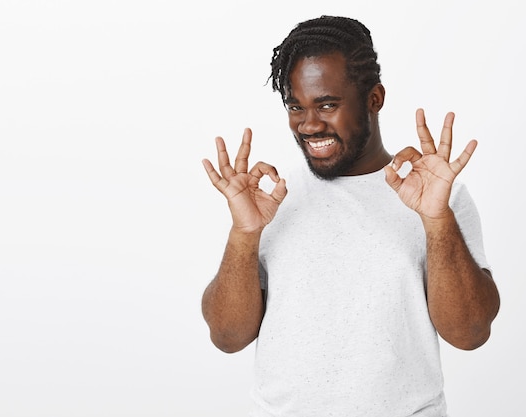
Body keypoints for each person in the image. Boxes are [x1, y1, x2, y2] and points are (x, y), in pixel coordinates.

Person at [200, 15, 500, 417]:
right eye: (295, 106)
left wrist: (437, 220)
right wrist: (244, 232)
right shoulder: (268, 202)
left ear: (374, 98)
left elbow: (470, 334)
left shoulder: (438, 198)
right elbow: (227, 337)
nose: (308, 124)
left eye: (326, 104)